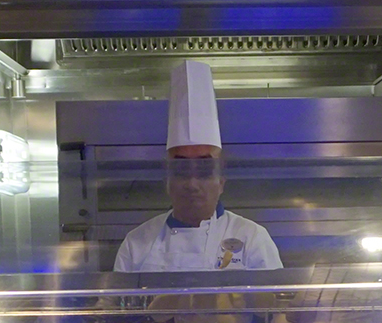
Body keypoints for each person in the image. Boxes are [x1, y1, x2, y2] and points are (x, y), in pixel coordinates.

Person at [113, 61, 283, 273]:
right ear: (167, 181)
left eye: (203, 170)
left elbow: (277, 294)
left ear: (221, 182)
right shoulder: (136, 245)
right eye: (181, 170)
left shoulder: (253, 239)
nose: (192, 184)